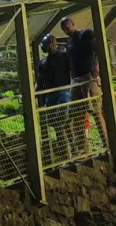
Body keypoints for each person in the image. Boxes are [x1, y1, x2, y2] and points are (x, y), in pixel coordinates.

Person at [60, 16, 100, 154]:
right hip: (76, 78)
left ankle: (108, 144)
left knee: (96, 111)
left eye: (67, 26)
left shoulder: (86, 34)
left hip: (88, 76)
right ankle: (83, 150)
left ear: (72, 23)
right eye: (63, 28)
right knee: (75, 114)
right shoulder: (69, 43)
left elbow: (97, 49)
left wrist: (96, 65)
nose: (66, 29)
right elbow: (70, 61)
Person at [35, 33, 74, 162]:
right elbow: (40, 80)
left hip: (64, 91)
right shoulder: (44, 62)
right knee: (56, 123)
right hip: (51, 94)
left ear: (53, 42)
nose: (45, 47)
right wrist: (36, 92)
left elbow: (71, 71)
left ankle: (69, 149)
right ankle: (66, 150)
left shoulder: (64, 56)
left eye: (46, 43)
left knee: (61, 120)